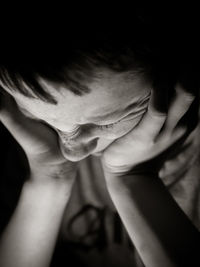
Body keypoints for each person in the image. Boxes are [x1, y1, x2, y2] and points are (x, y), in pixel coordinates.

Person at [0, 10, 200, 267]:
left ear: (175, 83)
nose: (71, 152)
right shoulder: (33, 143)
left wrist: (134, 177)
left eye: (103, 122)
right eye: (38, 116)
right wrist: (50, 178)